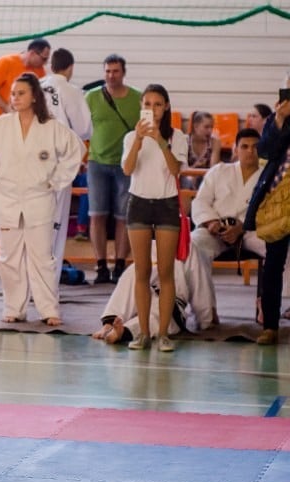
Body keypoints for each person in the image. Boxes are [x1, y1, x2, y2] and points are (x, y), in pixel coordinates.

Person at [0, 72, 84, 325]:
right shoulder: (1, 125)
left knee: (42, 258)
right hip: (7, 198)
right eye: (13, 93)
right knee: (8, 258)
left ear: (35, 96)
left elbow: (76, 150)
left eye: (20, 93)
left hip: (40, 198)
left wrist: (57, 180)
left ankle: (49, 309)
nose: (14, 98)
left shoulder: (51, 128)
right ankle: (13, 308)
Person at [120, 84, 188, 352]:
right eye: (147, 104)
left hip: (166, 204)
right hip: (138, 203)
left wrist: (160, 140)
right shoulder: (130, 137)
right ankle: (143, 333)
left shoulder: (177, 136)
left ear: (167, 106)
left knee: (166, 271)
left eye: (157, 104)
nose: (152, 109)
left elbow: (175, 170)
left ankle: (163, 334)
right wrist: (138, 139)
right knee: (141, 271)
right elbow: (127, 169)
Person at [190, 128, 265, 319]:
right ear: (235, 149)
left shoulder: (268, 176)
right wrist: (212, 222)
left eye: (255, 147)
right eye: (244, 146)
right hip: (217, 230)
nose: (250, 151)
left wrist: (242, 227)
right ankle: (206, 311)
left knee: (281, 245)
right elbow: (200, 201)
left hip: (253, 231)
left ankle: (271, 305)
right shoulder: (219, 171)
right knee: (193, 244)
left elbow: (272, 212)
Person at [85, 54, 141, 284]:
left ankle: (119, 263)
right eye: (107, 71)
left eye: (115, 71)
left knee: (123, 216)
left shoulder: (137, 98)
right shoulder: (91, 97)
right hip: (97, 161)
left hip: (125, 163)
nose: (111, 75)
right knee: (96, 215)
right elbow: (80, 126)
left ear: (124, 72)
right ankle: (100, 265)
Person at [39, 48, 93, 283]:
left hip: (31, 160)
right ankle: (49, 282)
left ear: (51, 65)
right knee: (55, 226)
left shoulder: (34, 85)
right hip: (59, 162)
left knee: (34, 223)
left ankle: (31, 282)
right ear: (70, 67)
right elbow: (84, 129)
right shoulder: (72, 91)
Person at [92, 251, 215, 346]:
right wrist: (206, 318)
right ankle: (110, 324)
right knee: (134, 274)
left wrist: (206, 317)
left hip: (171, 298)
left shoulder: (187, 245)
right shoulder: (147, 239)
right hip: (145, 287)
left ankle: (122, 330)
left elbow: (199, 284)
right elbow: (200, 285)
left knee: (158, 316)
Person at [244, 93, 290, 345]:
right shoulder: (280, 117)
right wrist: (281, 118)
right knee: (273, 263)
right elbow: (265, 150)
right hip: (279, 201)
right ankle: (271, 326)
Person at [0, 39, 50, 122]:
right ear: (32, 53)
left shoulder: (40, 71)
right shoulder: (5, 62)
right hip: (1, 117)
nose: (45, 63)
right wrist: (7, 108)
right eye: (44, 59)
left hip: (26, 119)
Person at [182, 111, 222, 190]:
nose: (210, 131)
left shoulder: (214, 141)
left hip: (207, 176)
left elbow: (213, 169)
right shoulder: (184, 140)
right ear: (196, 126)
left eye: (212, 127)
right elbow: (182, 169)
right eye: (206, 127)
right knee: (189, 181)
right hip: (187, 176)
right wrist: (195, 166)